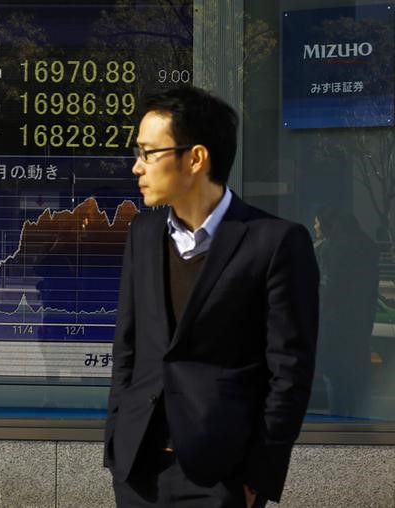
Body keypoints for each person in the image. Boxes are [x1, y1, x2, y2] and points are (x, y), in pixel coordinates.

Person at [104, 86, 319, 508]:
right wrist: (115, 440)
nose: (136, 167)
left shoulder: (275, 243)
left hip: (220, 477)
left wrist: (259, 471)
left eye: (149, 153)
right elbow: (127, 348)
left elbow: (290, 371)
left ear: (196, 158)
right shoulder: (143, 235)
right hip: (138, 472)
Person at [313, 207, 378, 418]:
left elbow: (326, 288)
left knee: (334, 378)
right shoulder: (368, 248)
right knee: (355, 382)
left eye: (317, 222)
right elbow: (371, 293)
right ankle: (357, 425)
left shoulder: (330, 249)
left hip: (333, 327)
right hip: (358, 327)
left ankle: (339, 425)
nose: (315, 227)